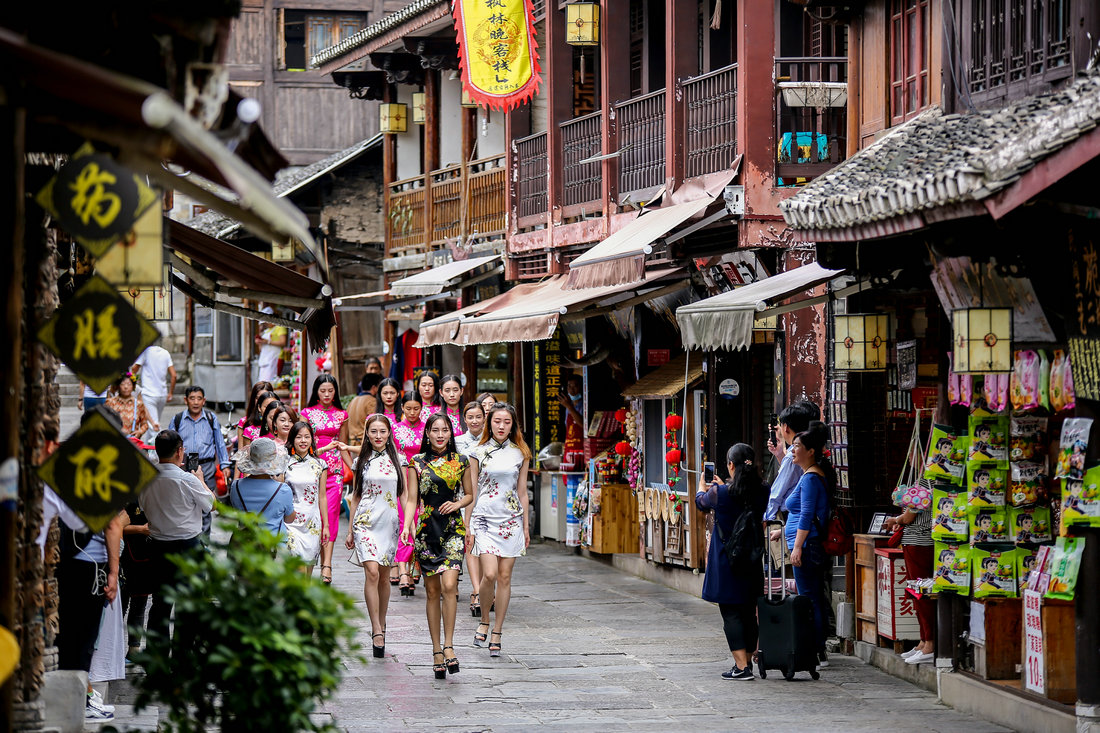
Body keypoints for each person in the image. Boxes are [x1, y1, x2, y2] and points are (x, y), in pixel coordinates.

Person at [346, 414, 416, 659]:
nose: (378, 436)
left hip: (389, 522)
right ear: (367, 433)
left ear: (389, 433)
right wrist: (350, 530)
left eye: (382, 431)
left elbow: (405, 495)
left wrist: (410, 525)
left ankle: (382, 621)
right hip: (365, 521)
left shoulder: (399, 459)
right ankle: (376, 628)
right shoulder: (361, 461)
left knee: (385, 577)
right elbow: (355, 495)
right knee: (373, 572)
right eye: (373, 431)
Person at [412, 414, 475, 677]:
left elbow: (470, 494)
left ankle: (449, 646)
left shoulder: (461, 461)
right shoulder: (417, 462)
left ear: (451, 433)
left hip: (453, 528)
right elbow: (411, 499)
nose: (440, 435)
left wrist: (458, 504)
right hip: (427, 529)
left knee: (450, 586)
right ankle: (436, 649)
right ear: (427, 434)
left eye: (445, 430)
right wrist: (407, 526)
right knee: (432, 591)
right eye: (435, 430)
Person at [696, 443, 765, 681]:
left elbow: (701, 502)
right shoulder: (762, 490)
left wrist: (702, 488)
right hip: (752, 557)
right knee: (748, 610)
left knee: (731, 612)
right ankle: (748, 659)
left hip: (726, 559)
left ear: (731, 465)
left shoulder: (721, 493)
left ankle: (741, 666)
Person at [141, 429, 215, 647]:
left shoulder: (146, 480)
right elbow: (211, 505)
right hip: (188, 547)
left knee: (160, 605)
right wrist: (201, 480)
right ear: (179, 451)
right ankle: (183, 654)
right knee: (188, 605)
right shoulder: (187, 480)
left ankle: (158, 655)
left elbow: (143, 507)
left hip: (158, 547)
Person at [468, 402, 532, 657]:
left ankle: (497, 631)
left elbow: (522, 492)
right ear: (489, 423)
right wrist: (468, 525)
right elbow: (471, 492)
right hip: (484, 519)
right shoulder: (477, 452)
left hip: (511, 519)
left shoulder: (521, 453)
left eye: (506, 422)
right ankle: (484, 619)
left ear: (513, 424)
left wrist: (526, 526)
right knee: (490, 574)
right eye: (497, 421)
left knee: (505, 577)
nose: (501, 426)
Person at [771, 421, 833, 668]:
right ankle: (817, 649)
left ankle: (816, 651)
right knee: (812, 595)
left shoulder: (810, 478)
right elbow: (802, 514)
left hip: (807, 547)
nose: (792, 450)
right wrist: (784, 531)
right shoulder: (810, 475)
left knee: (809, 598)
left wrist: (797, 547)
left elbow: (807, 514)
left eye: (797, 446)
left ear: (811, 451)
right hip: (806, 543)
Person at [300, 375, 349, 584]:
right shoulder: (306, 413)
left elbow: (344, 446)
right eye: (323, 391)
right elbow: (301, 443)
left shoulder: (342, 415)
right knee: (314, 517)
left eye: (330, 390)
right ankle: (309, 561)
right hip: (311, 470)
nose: (327, 394)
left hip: (334, 472)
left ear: (335, 392)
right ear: (316, 392)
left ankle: (327, 565)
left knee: (331, 516)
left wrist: (355, 468)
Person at [169, 386, 230, 533]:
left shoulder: (211, 418)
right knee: (184, 502)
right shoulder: (177, 419)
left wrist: (224, 464)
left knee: (206, 503)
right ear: (186, 400)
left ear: (204, 400)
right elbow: (170, 443)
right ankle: (188, 536)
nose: (196, 402)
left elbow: (219, 442)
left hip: (206, 466)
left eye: (199, 398)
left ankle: (204, 541)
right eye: (192, 398)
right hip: (184, 466)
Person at [884, 505, 935, 665]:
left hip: (920, 542)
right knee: (918, 593)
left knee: (922, 595)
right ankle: (924, 641)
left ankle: (930, 643)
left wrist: (896, 520)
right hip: (918, 541)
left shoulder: (924, 488)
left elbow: (909, 516)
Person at [229, 438, 296, 541]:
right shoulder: (283, 490)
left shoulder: (236, 486)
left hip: (245, 544)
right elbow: (289, 519)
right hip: (274, 545)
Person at [392, 393, 426, 595]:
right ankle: (403, 569)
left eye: (416, 408)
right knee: (404, 521)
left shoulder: (428, 429)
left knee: (421, 522)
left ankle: (415, 567)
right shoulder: (394, 429)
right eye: (408, 408)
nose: (412, 412)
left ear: (422, 408)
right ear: (402, 408)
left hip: (424, 478)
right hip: (403, 481)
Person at [283, 422, 328, 575]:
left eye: (307, 437)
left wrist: (326, 525)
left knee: (308, 572)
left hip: (312, 522)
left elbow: (322, 497)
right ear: (292, 439)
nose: (303, 441)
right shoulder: (285, 463)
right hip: (290, 522)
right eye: (299, 437)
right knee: (298, 568)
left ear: (312, 440)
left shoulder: (320, 464)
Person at [763, 401, 818, 525]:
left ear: (786, 427)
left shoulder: (793, 455)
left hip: (790, 518)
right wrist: (780, 454)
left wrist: (767, 521)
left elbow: (776, 495)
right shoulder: (809, 450)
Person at [456, 401, 486, 616]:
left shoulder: (491, 441)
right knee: (470, 542)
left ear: (484, 418)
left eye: (478, 417)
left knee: (486, 548)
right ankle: (476, 591)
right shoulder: (457, 442)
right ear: (464, 419)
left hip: (488, 497)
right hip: (465, 497)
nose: (474, 421)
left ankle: (486, 587)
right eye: (470, 417)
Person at [131, 345, 176, 437]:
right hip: (162, 394)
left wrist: (132, 383)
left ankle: (159, 445)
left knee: (153, 426)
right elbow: (174, 375)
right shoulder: (165, 353)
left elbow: (134, 368)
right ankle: (148, 446)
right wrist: (170, 393)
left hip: (149, 393)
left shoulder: (146, 352)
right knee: (152, 423)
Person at [105, 373, 152, 440]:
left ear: (133, 387)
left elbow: (145, 424)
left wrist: (140, 432)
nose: (126, 387)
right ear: (118, 386)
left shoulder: (138, 404)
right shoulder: (110, 403)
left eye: (129, 384)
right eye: (122, 384)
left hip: (132, 440)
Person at [557, 374, 585, 471]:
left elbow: (583, 425)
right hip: (569, 449)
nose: (572, 390)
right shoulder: (567, 407)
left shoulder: (584, 405)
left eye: (575, 386)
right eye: (569, 386)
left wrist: (569, 407)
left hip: (581, 449)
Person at [237, 382, 275, 452]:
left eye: (264, 398)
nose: (261, 401)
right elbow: (241, 452)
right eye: (258, 398)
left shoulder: (278, 422)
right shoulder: (245, 422)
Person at [255, 312, 288, 383]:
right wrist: (260, 342)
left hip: (275, 359)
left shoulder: (280, 327)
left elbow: (283, 342)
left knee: (271, 382)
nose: (266, 323)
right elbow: (261, 349)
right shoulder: (267, 331)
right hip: (265, 361)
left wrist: (268, 342)